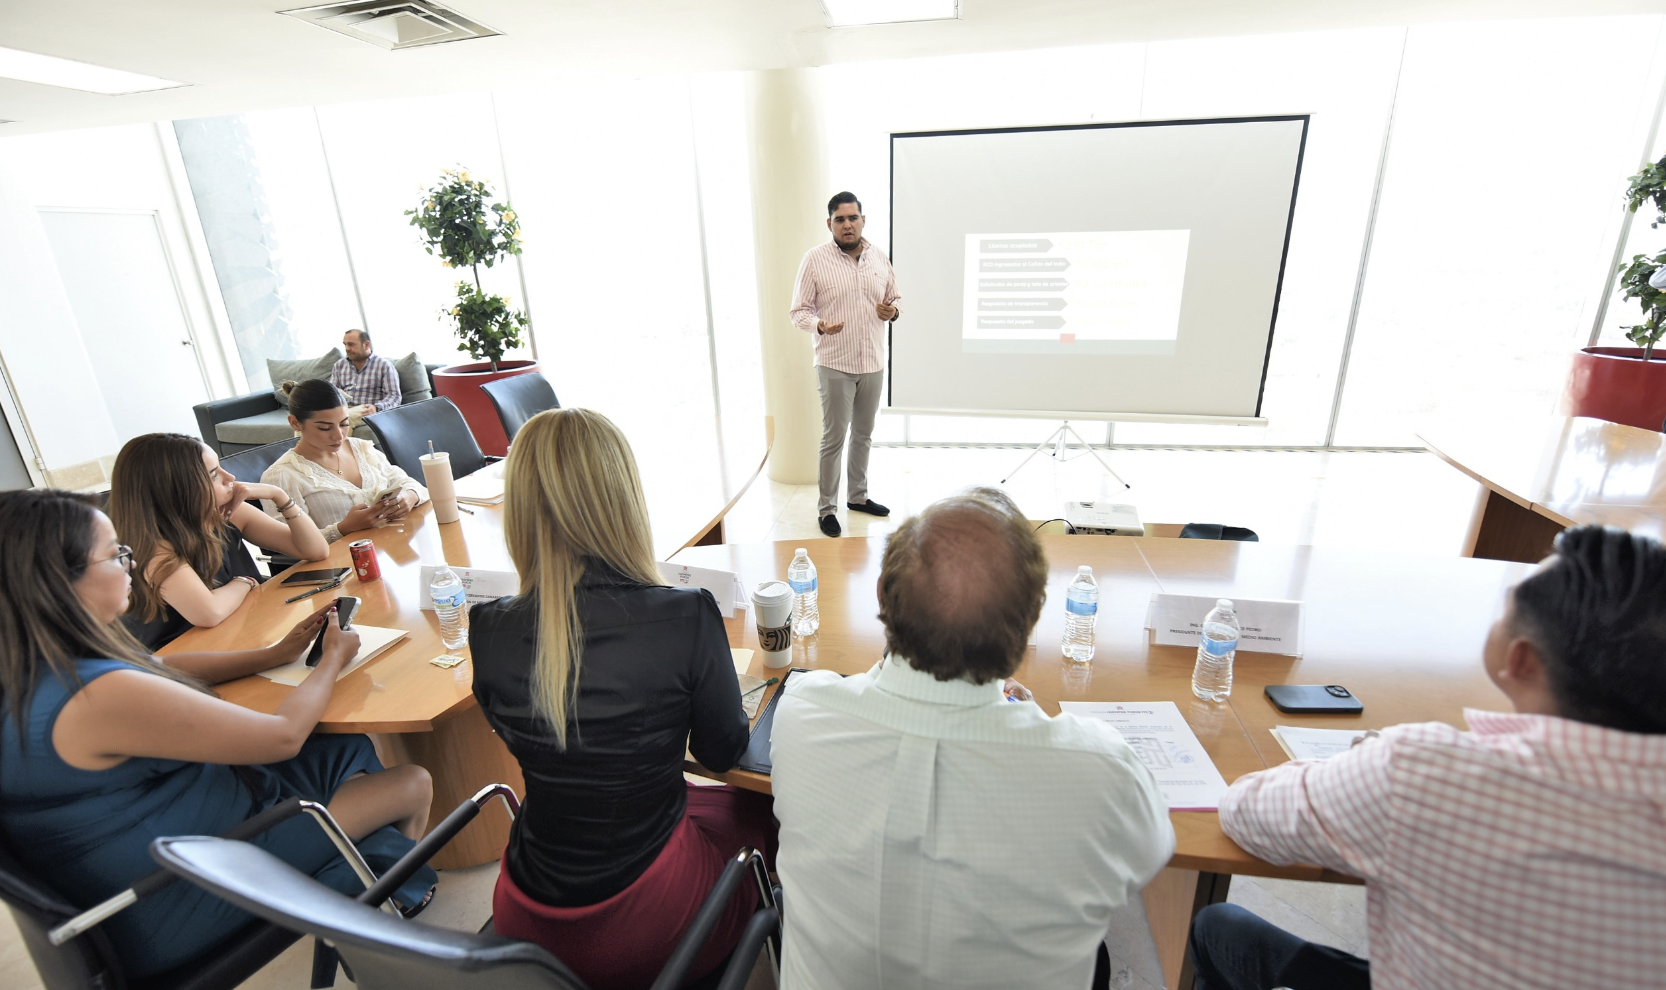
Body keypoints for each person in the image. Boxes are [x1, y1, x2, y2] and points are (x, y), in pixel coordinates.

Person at [1192, 524, 1666, 990]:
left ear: (1519, 660)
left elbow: (1244, 811)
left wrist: (1371, 761)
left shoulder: (1428, 773)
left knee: (1220, 928)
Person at [0, 488, 437, 979]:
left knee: (346, 750)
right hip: (187, 885)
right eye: (115, 554)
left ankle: (366, 882)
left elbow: (161, 664)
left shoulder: (34, 669)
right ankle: (383, 943)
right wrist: (331, 660)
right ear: (59, 582)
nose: (130, 563)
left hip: (165, 847)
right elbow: (282, 737)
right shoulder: (95, 696)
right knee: (411, 783)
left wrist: (272, 654)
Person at [769, 487, 1175, 990]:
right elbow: (1149, 853)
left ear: (882, 598)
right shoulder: (1100, 771)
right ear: (1029, 624)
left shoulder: (803, 710)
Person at [470, 407, 771, 990]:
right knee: (770, 814)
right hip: (645, 917)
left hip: (526, 912)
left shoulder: (488, 628)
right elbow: (720, 752)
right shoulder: (685, 614)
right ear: (622, 500)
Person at [110, 432, 329, 649]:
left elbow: (316, 550)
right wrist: (245, 581)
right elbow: (209, 613)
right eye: (214, 474)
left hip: (238, 631)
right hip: (184, 656)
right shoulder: (154, 547)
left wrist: (279, 495)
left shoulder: (225, 513)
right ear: (177, 489)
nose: (230, 477)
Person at [789, 190, 901, 537]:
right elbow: (799, 311)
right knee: (834, 437)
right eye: (840, 219)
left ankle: (858, 497)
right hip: (834, 362)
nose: (847, 225)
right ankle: (826, 509)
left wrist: (892, 311)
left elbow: (893, 298)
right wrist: (819, 325)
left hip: (873, 361)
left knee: (863, 435)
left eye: (853, 218)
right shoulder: (814, 259)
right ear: (830, 224)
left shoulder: (879, 258)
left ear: (863, 220)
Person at [261, 378, 427, 544]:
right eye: (325, 428)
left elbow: (411, 483)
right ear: (295, 423)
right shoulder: (281, 477)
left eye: (344, 424)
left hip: (396, 549)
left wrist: (409, 496)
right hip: (345, 565)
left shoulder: (361, 448)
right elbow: (291, 546)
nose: (339, 435)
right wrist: (343, 528)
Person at [331, 328, 401, 418]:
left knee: (343, 420)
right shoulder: (339, 365)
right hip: (345, 410)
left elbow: (394, 396)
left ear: (366, 345)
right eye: (345, 344)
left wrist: (376, 408)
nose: (347, 348)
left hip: (367, 412)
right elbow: (332, 393)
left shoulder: (384, 366)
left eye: (351, 344)